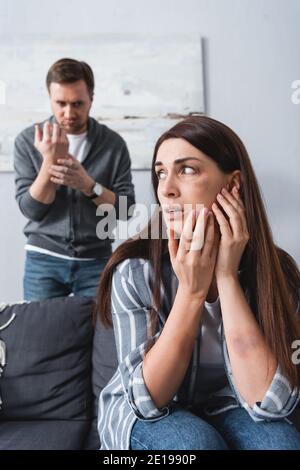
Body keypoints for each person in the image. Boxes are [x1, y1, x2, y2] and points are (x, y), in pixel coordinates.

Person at [96, 115, 300, 450]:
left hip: (229, 404)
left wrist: (226, 278)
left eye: (186, 169)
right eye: (161, 172)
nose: (166, 188)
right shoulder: (134, 270)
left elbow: (273, 403)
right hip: (146, 413)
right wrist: (191, 292)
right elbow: (149, 402)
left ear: (233, 183)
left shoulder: (278, 272)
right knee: (195, 443)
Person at [14, 58, 135, 300]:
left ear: (91, 98)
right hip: (43, 259)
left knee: (101, 334)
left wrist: (88, 185)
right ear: (49, 97)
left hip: (96, 260)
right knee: (40, 335)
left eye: (78, 103)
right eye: (60, 103)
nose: (68, 113)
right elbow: (31, 210)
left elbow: (125, 209)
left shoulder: (113, 144)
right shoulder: (28, 141)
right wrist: (49, 161)